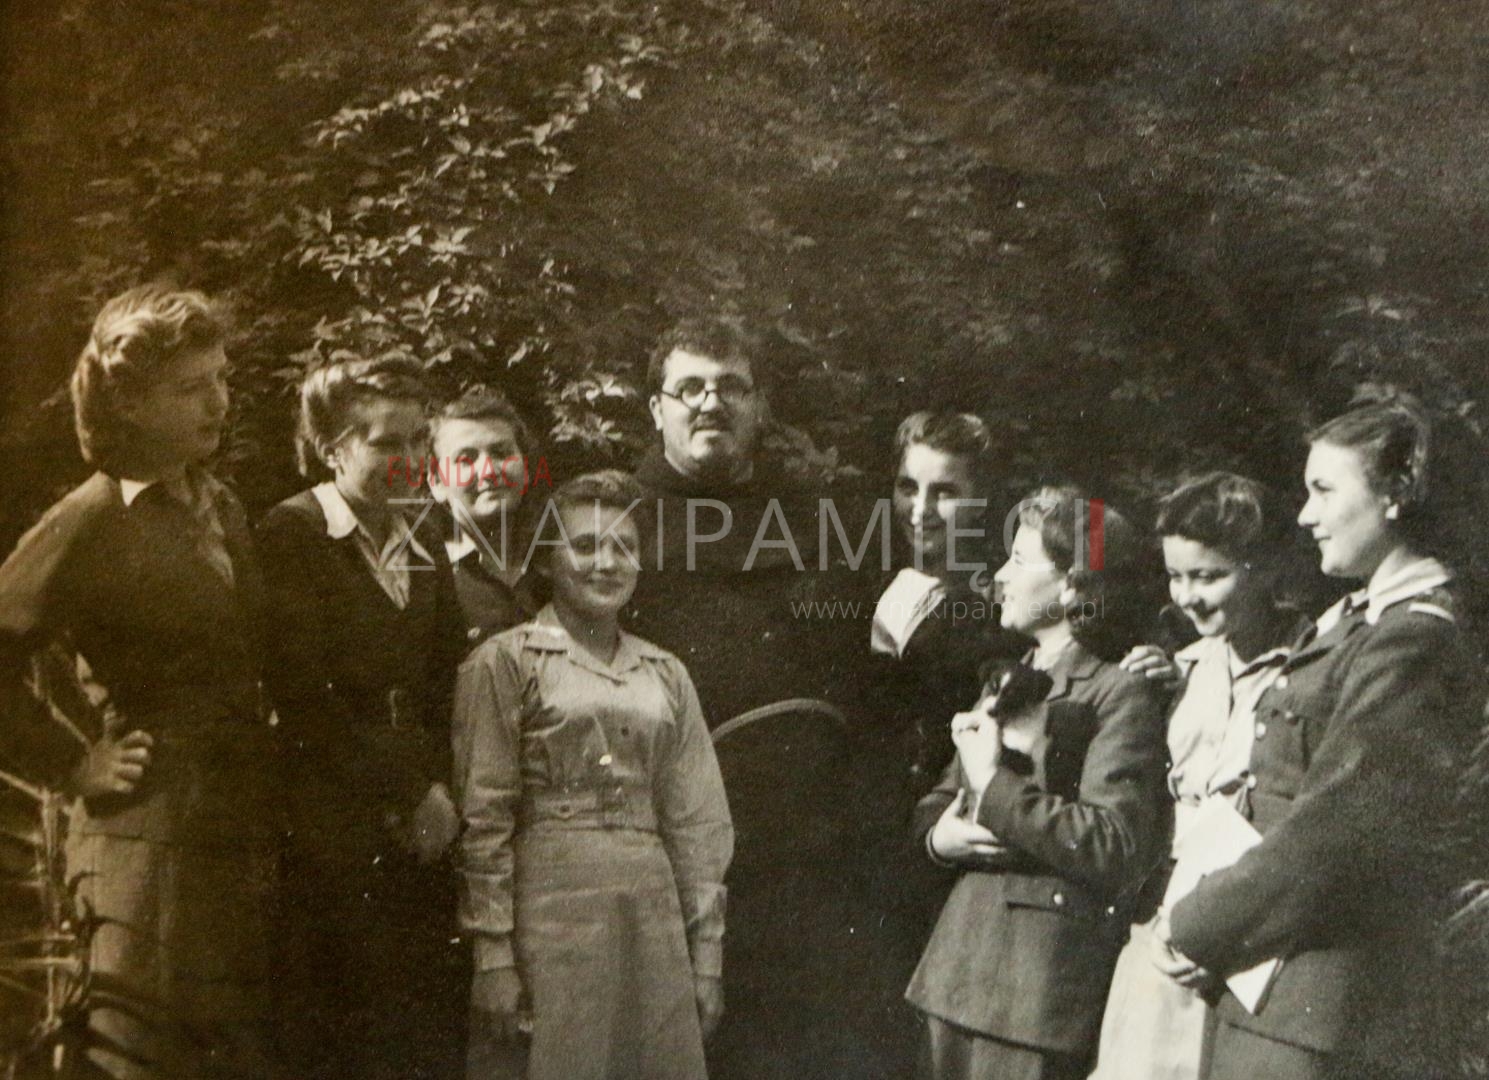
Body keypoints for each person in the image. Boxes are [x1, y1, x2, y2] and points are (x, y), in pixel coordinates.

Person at [1163, 390, 1484, 1080]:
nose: (1305, 515)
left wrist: (1199, 922)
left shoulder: (1413, 637)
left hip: (1320, 1002)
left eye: (1323, 490)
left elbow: (1338, 825)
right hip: (1267, 987)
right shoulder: (1356, 622)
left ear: (1395, 494)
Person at [0, 285, 276, 1077]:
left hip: (235, 833)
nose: (218, 403)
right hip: (145, 845)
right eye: (190, 388)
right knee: (145, 1057)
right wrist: (71, 762)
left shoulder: (219, 504)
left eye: (221, 378)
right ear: (128, 403)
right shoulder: (89, 518)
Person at [626, 318, 880, 1079]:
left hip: (803, 852)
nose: (711, 403)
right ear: (657, 409)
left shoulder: (818, 522)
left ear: (759, 405)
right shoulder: (613, 525)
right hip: (666, 848)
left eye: (730, 387)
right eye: (690, 388)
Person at [455, 470, 733, 1080]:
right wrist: (493, 954)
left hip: (651, 917)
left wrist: (706, 956)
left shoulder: (665, 673)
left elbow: (698, 822)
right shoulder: (505, 661)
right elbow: (485, 813)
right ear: (547, 561)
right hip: (548, 917)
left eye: (623, 547)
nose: (606, 563)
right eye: (584, 545)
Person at [906, 485, 1168, 1080]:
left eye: (1020, 561)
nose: (999, 576)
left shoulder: (1119, 692)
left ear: (1073, 585)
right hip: (953, 973)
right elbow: (939, 801)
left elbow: (1113, 842)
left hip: (1031, 995)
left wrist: (993, 784)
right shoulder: (1011, 678)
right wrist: (940, 838)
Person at [256, 356, 468, 1080]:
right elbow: (303, 697)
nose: (410, 459)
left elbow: (444, 679)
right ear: (332, 449)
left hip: (422, 814)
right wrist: (407, 793)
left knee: (417, 1028)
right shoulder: (292, 534)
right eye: (386, 443)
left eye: (419, 440)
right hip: (331, 816)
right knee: (341, 1028)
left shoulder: (425, 539)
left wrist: (434, 791)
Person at [1089, 472, 1310, 1080]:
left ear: (1264, 567)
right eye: (1176, 576)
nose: (1188, 597)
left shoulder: (1311, 665)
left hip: (1248, 942)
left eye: (1209, 576)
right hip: (1160, 930)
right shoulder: (1179, 671)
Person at [861, 412, 1024, 1075]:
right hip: (876, 854)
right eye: (908, 487)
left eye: (945, 492)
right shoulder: (874, 587)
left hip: (959, 856)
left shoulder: (1006, 600)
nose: (921, 510)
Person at [429, 386, 545, 650]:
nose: (488, 470)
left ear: (526, 468)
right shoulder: (429, 578)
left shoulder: (558, 563)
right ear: (437, 482)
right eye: (465, 460)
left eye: (501, 453)